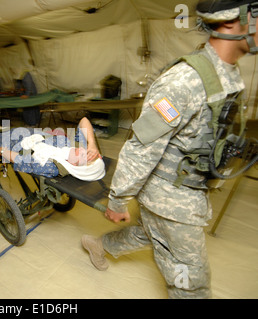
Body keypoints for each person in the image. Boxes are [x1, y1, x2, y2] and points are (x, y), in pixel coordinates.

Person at [81, 0, 257, 299]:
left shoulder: (228, 73)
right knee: (191, 280)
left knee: (150, 233)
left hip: (189, 188)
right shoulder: (185, 81)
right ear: (231, 21)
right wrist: (118, 201)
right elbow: (141, 147)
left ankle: (101, 246)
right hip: (170, 196)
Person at [0, 117, 105, 181]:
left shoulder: (52, 166)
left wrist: (3, 151)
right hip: (29, 133)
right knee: (10, 130)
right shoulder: (73, 151)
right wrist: (92, 145)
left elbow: (22, 161)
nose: (83, 150)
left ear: (74, 165)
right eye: (87, 152)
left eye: (83, 156)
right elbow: (84, 121)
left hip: (15, 144)